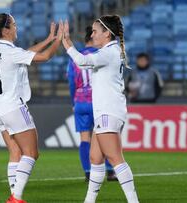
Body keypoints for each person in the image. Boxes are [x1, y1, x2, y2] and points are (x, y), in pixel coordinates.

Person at [0, 13, 63, 203]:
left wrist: (47, 39)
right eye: (14, 24)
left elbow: (26, 54)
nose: (17, 27)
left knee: (15, 153)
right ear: (6, 30)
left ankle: (14, 194)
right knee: (32, 153)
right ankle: (16, 197)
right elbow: (43, 57)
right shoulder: (10, 51)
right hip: (13, 108)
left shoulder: (2, 49)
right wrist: (59, 40)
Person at [62, 15, 139, 203]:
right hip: (108, 111)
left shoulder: (108, 52)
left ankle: (133, 200)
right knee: (95, 157)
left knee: (114, 158)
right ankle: (89, 200)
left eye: (96, 31)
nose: (92, 34)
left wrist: (67, 43)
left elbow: (81, 61)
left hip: (108, 111)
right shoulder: (112, 50)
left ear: (107, 34)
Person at [66, 25, 116, 182]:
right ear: (93, 38)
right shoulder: (102, 54)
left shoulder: (76, 57)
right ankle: (110, 170)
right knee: (105, 136)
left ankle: (88, 172)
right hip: (98, 101)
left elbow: (71, 82)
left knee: (84, 138)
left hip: (80, 101)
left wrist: (74, 100)